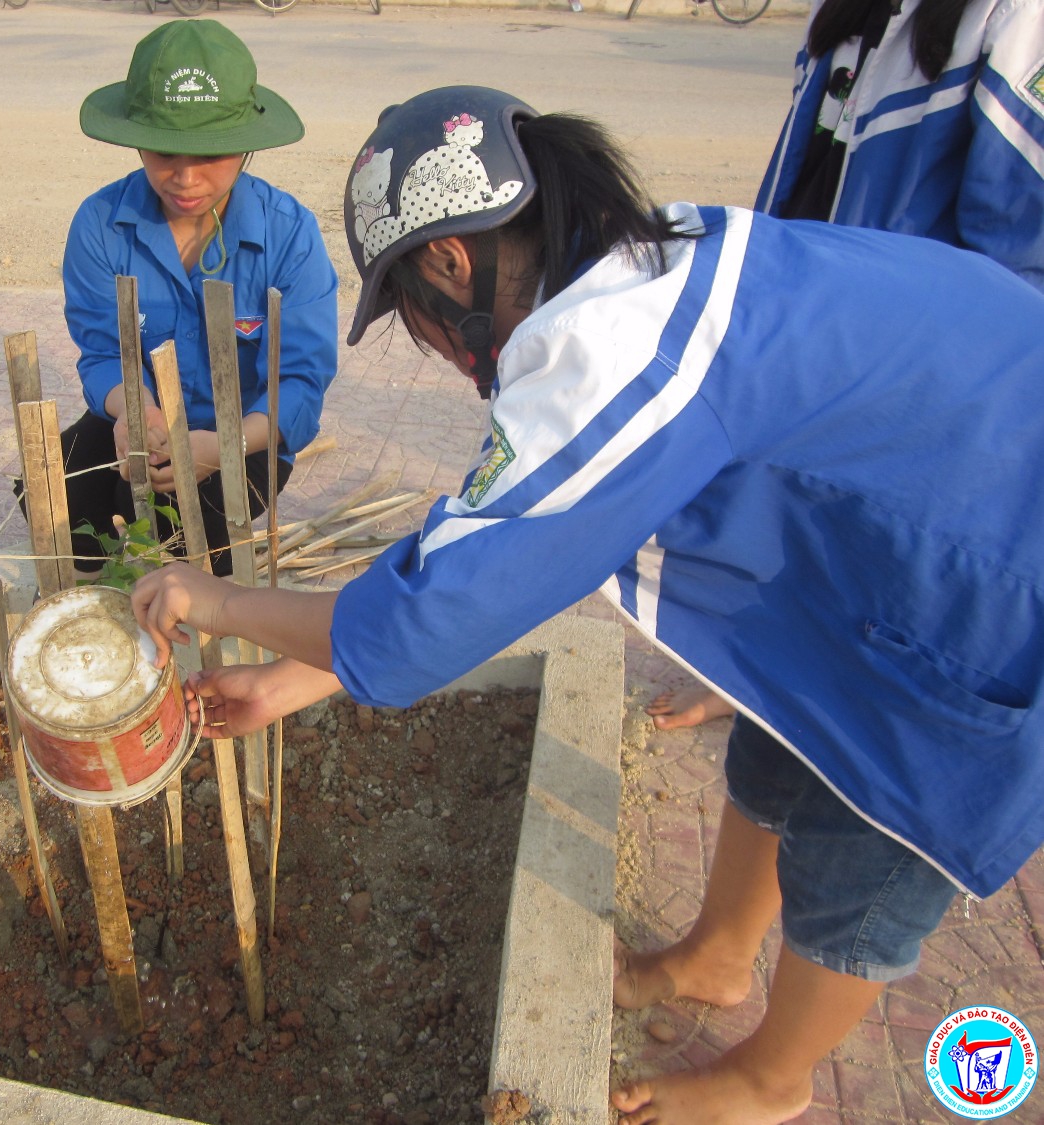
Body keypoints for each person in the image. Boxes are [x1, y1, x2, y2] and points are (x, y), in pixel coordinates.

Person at [129, 86, 1044, 1124]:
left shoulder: (612, 354)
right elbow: (506, 550)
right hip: (929, 499)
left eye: (414, 322)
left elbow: (434, 616)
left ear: (448, 263)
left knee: (870, 838)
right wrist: (295, 682)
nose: (430, 347)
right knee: (785, 740)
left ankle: (771, 1078)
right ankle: (714, 958)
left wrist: (216, 600)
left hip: (1000, 560)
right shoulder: (644, 265)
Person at [648, 0, 1044, 729]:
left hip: (918, 399)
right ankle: (748, 670)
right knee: (787, 579)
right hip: (819, 361)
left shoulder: (1012, 18)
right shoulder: (846, 18)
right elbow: (799, 186)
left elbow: (1018, 275)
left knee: (864, 675)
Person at [55, 19, 338, 579]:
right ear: (134, 137)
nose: (185, 178)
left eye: (211, 155)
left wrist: (222, 446)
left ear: (247, 148)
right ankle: (99, 623)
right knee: (59, 501)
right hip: (146, 423)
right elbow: (101, 350)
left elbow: (301, 382)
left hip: (244, 435)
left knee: (193, 536)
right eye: (163, 151)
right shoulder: (99, 224)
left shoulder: (289, 234)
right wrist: (134, 414)